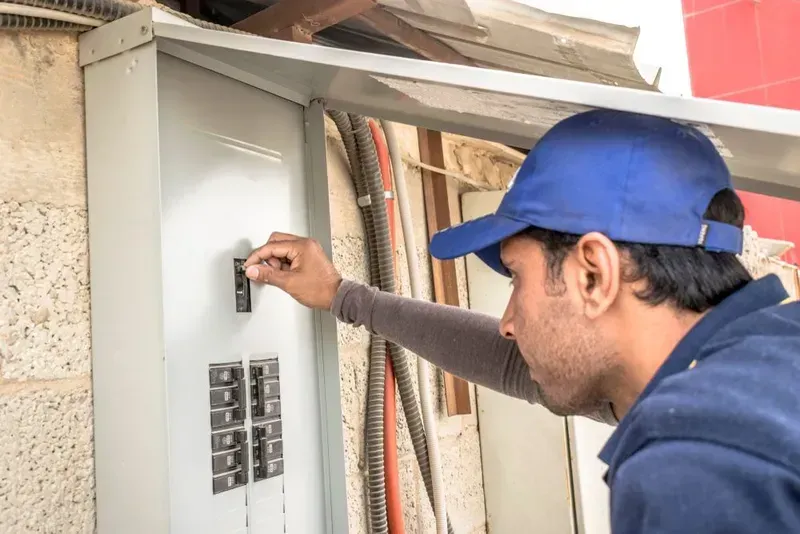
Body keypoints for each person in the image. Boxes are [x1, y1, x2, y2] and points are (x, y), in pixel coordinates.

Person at [243, 109, 800, 533]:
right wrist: (345, 296)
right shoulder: (756, 367)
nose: (508, 321)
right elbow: (521, 365)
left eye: (515, 278)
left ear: (593, 274)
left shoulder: (698, 460)